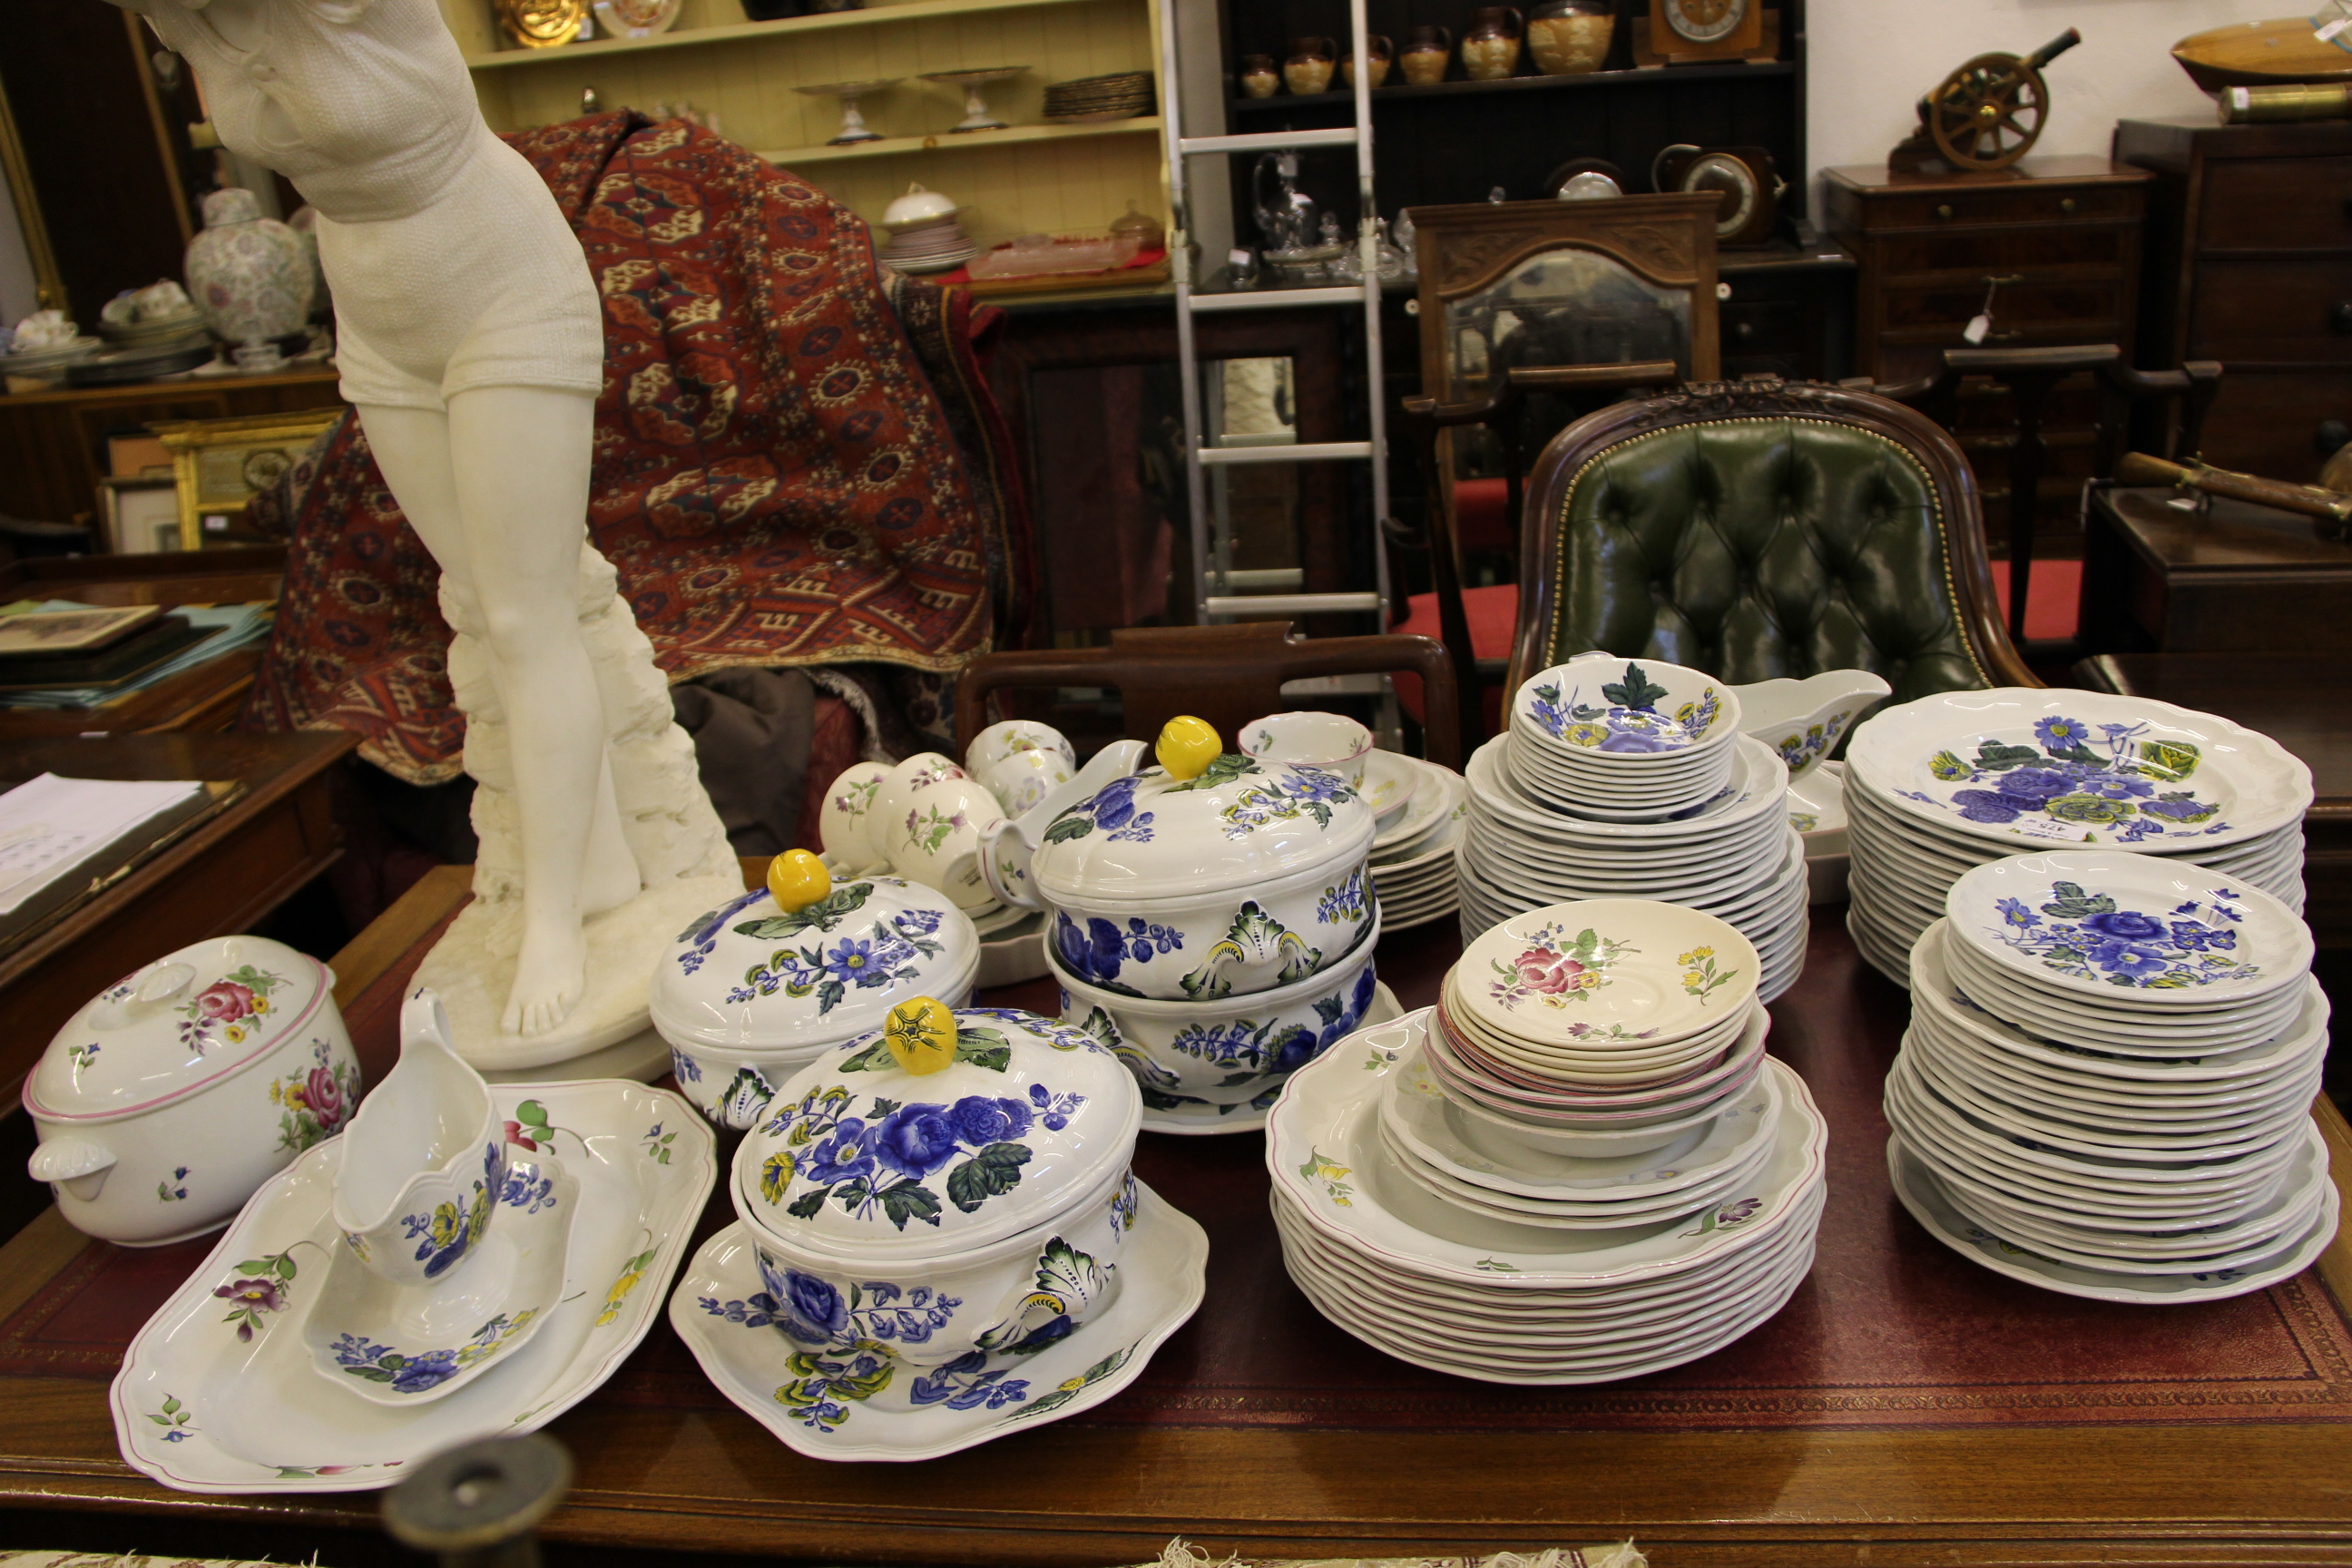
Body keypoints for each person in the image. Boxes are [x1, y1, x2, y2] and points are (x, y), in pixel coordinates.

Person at [110, 0, 640, 1035]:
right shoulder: (184, 17)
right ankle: (603, 857)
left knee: (530, 614)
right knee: (481, 610)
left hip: (501, 280)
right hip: (374, 306)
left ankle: (556, 921)